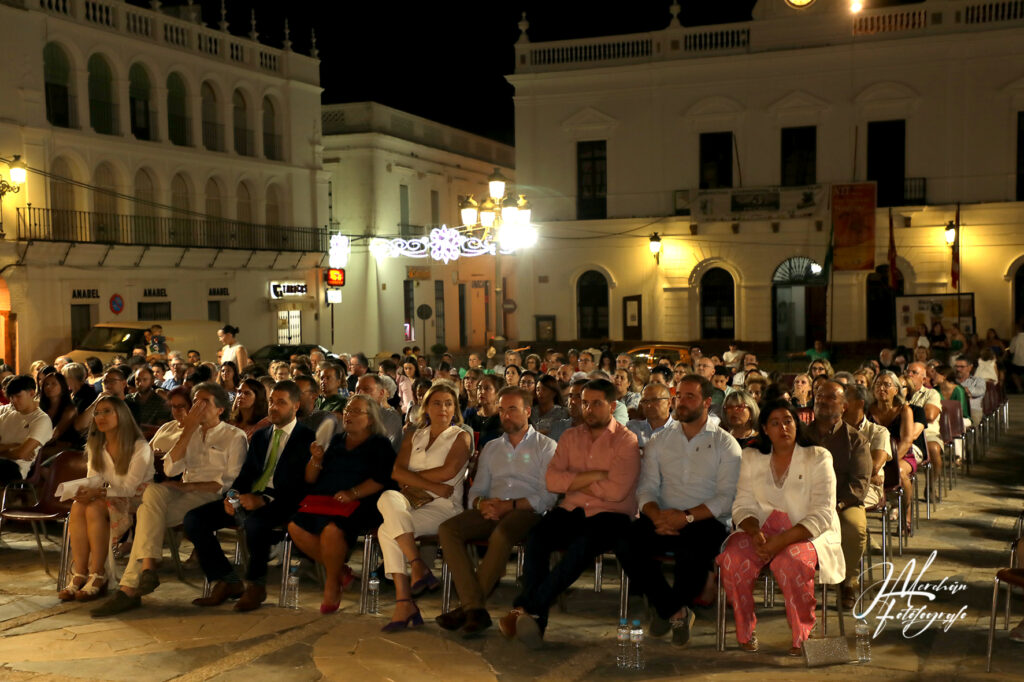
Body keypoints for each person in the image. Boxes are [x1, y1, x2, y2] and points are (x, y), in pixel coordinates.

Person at [499, 379, 640, 648]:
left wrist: (574, 479)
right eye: (584, 402)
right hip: (572, 509)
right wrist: (596, 475)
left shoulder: (626, 440)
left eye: (596, 403)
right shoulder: (570, 436)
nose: (588, 408)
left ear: (612, 406)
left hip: (611, 515)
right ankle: (534, 619)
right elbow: (552, 481)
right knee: (538, 536)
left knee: (581, 547)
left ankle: (526, 609)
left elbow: (616, 492)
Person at [91, 383, 248, 616]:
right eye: (195, 401)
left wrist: (187, 486)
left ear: (220, 409)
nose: (197, 407)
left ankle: (131, 587)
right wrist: (187, 431)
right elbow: (170, 468)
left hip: (211, 497)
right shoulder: (190, 432)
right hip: (182, 492)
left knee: (146, 510)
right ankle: (145, 571)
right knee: (151, 495)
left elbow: (227, 482)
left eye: (204, 402)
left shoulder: (235, 436)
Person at [617, 375, 741, 646]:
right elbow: (646, 487)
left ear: (707, 402)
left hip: (706, 519)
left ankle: (665, 609)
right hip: (662, 515)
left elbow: (726, 498)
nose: (681, 403)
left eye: (690, 397)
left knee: (694, 550)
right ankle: (675, 610)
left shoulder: (725, 443)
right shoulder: (660, 441)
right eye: (679, 397)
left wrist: (686, 517)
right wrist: (656, 514)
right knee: (625, 540)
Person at [716, 400, 844, 655]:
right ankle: (745, 628)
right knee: (732, 559)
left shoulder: (817, 457)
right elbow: (742, 504)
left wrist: (782, 541)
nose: (783, 427)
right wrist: (755, 533)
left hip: (805, 533)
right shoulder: (752, 457)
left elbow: (821, 514)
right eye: (775, 423)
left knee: (789, 562)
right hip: (761, 531)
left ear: (797, 424)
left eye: (788, 420)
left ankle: (803, 633)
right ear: (764, 429)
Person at [185, 381, 317, 612]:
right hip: (250, 497)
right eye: (272, 402)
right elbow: (246, 474)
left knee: (256, 523)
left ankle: (256, 585)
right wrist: (232, 495)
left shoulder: (306, 437)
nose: (274, 407)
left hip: (285, 502)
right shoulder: (261, 435)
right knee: (194, 519)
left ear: (296, 406)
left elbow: (299, 486)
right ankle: (227, 580)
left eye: (281, 403)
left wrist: (265, 499)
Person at [436, 387, 557, 637]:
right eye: (501, 410)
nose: (505, 415)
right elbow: (478, 488)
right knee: (448, 530)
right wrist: (482, 504)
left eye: (512, 409)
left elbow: (547, 497)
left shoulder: (546, 447)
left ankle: (468, 609)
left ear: (527, 411)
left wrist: (509, 506)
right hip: (493, 508)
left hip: (527, 511)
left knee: (502, 534)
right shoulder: (492, 447)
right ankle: (475, 609)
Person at [376, 383, 472, 632]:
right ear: (427, 407)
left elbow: (448, 472)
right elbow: (396, 472)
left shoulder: (461, 436)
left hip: (443, 506)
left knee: (387, 531)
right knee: (387, 495)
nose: (443, 408)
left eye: (449, 403)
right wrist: (426, 482)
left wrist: (414, 477)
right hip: (409, 501)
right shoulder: (414, 435)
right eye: (437, 403)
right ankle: (417, 564)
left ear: (455, 409)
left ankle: (404, 602)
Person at [288, 395, 397, 613]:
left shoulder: (379, 444)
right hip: (326, 500)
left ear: (371, 419)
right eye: (347, 410)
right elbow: (310, 478)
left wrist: (352, 493)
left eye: (357, 411)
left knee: (331, 529)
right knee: (294, 526)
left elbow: (381, 479)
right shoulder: (336, 441)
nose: (349, 415)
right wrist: (316, 458)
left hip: (361, 503)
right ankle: (338, 572)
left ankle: (331, 585)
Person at [59, 396, 153, 602]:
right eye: (98, 413)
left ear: (122, 415)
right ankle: (80, 573)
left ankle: (98, 573)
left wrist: (97, 493)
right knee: (78, 505)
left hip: (138, 502)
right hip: (108, 497)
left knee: (95, 507)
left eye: (107, 411)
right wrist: (83, 490)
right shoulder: (97, 446)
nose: (100, 417)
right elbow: (94, 479)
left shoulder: (139, 447)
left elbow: (129, 488)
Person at [808, 381, 872, 609]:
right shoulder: (803, 436)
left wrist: (839, 504)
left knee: (854, 527)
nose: (822, 400)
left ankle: (848, 582)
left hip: (843, 502)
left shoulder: (856, 440)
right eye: (819, 396)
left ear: (844, 406)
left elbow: (860, 482)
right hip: (806, 501)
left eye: (830, 397)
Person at [869, 371, 923, 534]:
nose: (882, 388)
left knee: (899, 472)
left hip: (901, 454)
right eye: (878, 384)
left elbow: (907, 440)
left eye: (887, 385)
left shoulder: (904, 410)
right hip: (875, 455)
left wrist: (889, 463)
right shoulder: (868, 410)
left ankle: (905, 515)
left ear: (896, 390)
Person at [0, 376, 54, 484]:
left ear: (32, 393)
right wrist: (13, 446)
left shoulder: (41, 419)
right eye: (11, 397)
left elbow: (21, 454)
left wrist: (4, 451)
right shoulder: (7, 415)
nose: (13, 400)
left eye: (18, 396)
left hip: (16, 468)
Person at [904, 361, 944, 494]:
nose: (909, 374)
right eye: (907, 371)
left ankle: (931, 484)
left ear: (924, 379)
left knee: (933, 448)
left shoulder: (931, 394)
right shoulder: (899, 393)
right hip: (904, 433)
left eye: (914, 372)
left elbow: (930, 415)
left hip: (927, 434)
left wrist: (907, 415)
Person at [355, 374, 403, 453]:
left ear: (381, 393)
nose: (360, 393)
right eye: (357, 390)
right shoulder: (349, 415)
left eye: (366, 389)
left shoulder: (390, 417)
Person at [625, 382, 675, 450]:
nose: (649, 405)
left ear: (669, 402)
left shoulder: (680, 430)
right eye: (645, 401)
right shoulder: (632, 428)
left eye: (655, 400)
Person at [464, 374, 505, 451]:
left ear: (498, 393)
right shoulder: (470, 414)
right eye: (479, 388)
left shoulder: (504, 418)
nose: (481, 392)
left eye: (487, 388)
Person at [39, 372, 80, 447]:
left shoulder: (70, 409)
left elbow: (56, 434)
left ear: (62, 386)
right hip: (44, 445)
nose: (48, 387)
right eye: (46, 384)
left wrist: (33, 445)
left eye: (53, 384)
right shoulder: (41, 408)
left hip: (65, 447)